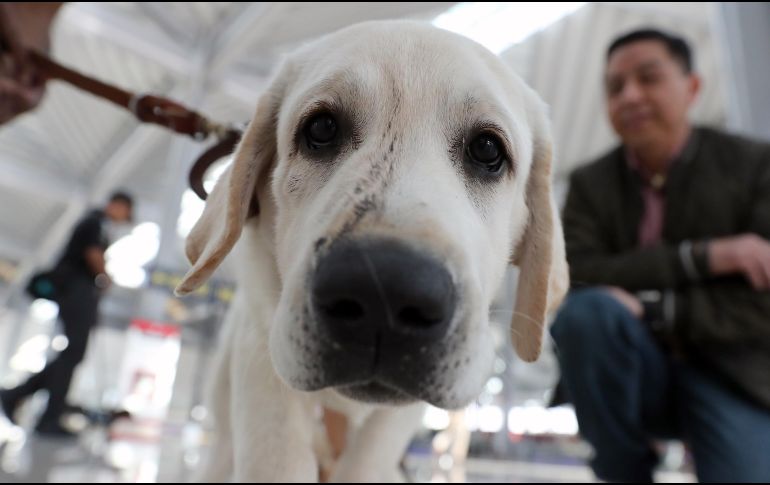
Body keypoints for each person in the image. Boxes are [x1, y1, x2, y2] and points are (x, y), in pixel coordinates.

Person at [550, 28, 770, 482]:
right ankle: (623, 471)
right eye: (614, 87)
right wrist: (705, 258)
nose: (630, 96)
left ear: (692, 87)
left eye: (648, 78)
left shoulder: (754, 166)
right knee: (585, 317)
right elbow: (578, 275)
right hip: (631, 370)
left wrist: (653, 307)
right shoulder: (591, 184)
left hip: (734, 374)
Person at [0, 191, 133, 437]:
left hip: (77, 291)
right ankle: (46, 418)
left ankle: (18, 396)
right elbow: (92, 254)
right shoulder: (95, 222)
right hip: (76, 289)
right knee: (73, 353)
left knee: (72, 354)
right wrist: (105, 278)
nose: (125, 217)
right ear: (117, 205)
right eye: (125, 211)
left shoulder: (97, 223)